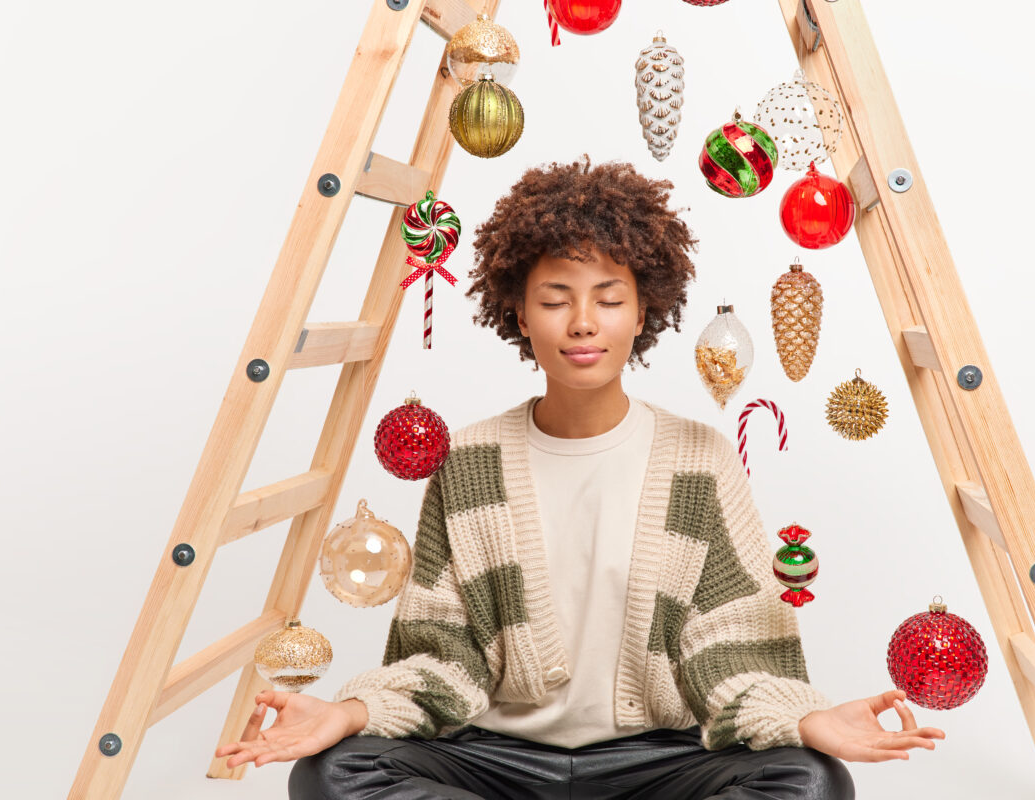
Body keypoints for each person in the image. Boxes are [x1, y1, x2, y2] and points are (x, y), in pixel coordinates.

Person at [216, 157, 945, 799]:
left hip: (659, 760)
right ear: (519, 313)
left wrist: (804, 719)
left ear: (644, 312)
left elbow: (734, 641)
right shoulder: (467, 461)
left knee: (813, 781)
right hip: (495, 760)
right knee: (331, 774)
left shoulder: (700, 457)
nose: (582, 323)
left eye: (609, 297)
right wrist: (347, 714)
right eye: (556, 298)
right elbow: (441, 656)